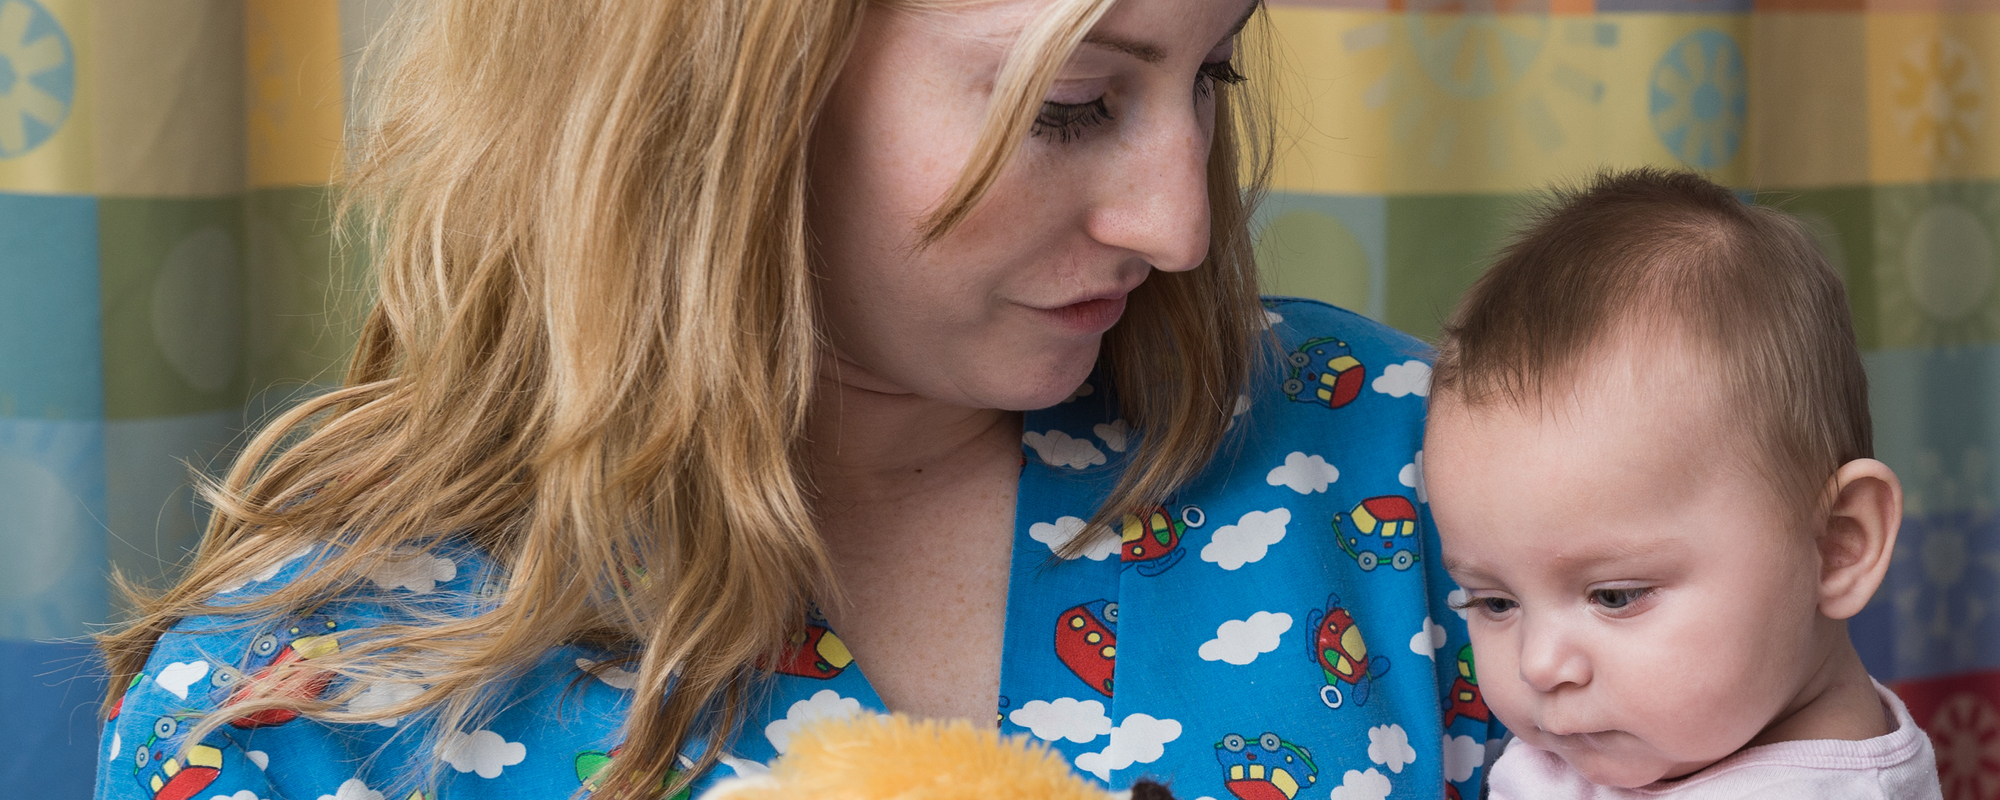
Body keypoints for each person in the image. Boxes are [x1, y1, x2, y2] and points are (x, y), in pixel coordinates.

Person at [94, 1, 1503, 798]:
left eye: (1211, 77)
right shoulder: (305, 705)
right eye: (1071, 103)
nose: (1177, 224)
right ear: (728, 85)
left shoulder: (1437, 474)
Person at [1422, 168, 1943, 798]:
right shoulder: (1658, 739)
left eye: (1615, 596)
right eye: (1494, 602)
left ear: (1838, 546)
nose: (1539, 665)